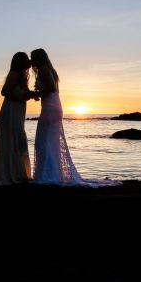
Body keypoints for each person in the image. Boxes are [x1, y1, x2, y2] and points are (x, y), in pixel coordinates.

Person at [30, 48, 115, 187]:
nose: (31, 60)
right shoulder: (49, 69)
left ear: (39, 58)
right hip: (54, 106)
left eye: (32, 57)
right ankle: (51, 173)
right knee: (49, 142)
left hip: (50, 108)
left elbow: (51, 88)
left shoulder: (43, 69)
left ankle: (48, 175)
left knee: (43, 141)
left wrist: (37, 94)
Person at [0, 52, 39, 185]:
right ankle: (10, 174)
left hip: (17, 110)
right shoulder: (14, 74)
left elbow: (19, 92)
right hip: (11, 110)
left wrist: (29, 94)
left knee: (17, 139)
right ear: (21, 61)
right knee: (13, 139)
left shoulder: (21, 75)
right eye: (27, 59)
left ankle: (18, 173)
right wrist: (27, 94)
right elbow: (5, 91)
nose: (29, 62)